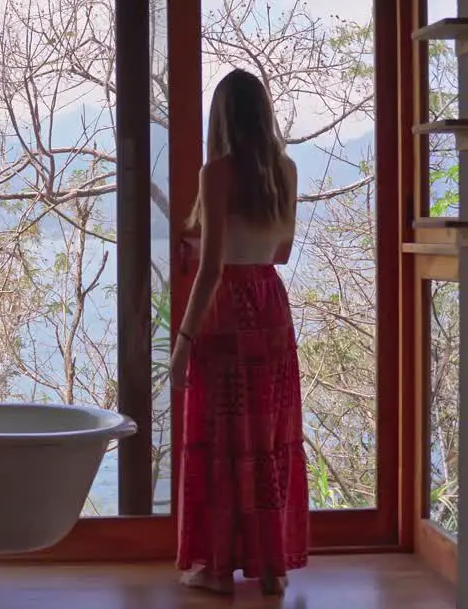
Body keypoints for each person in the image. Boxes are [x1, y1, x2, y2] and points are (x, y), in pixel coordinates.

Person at [170, 68, 309, 596]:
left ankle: (219, 568)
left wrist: (182, 345)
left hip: (228, 310)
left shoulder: (217, 172)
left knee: (225, 439)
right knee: (269, 436)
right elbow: (279, 253)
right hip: (272, 306)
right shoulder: (286, 170)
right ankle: (272, 569)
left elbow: (212, 272)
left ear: (222, 116)